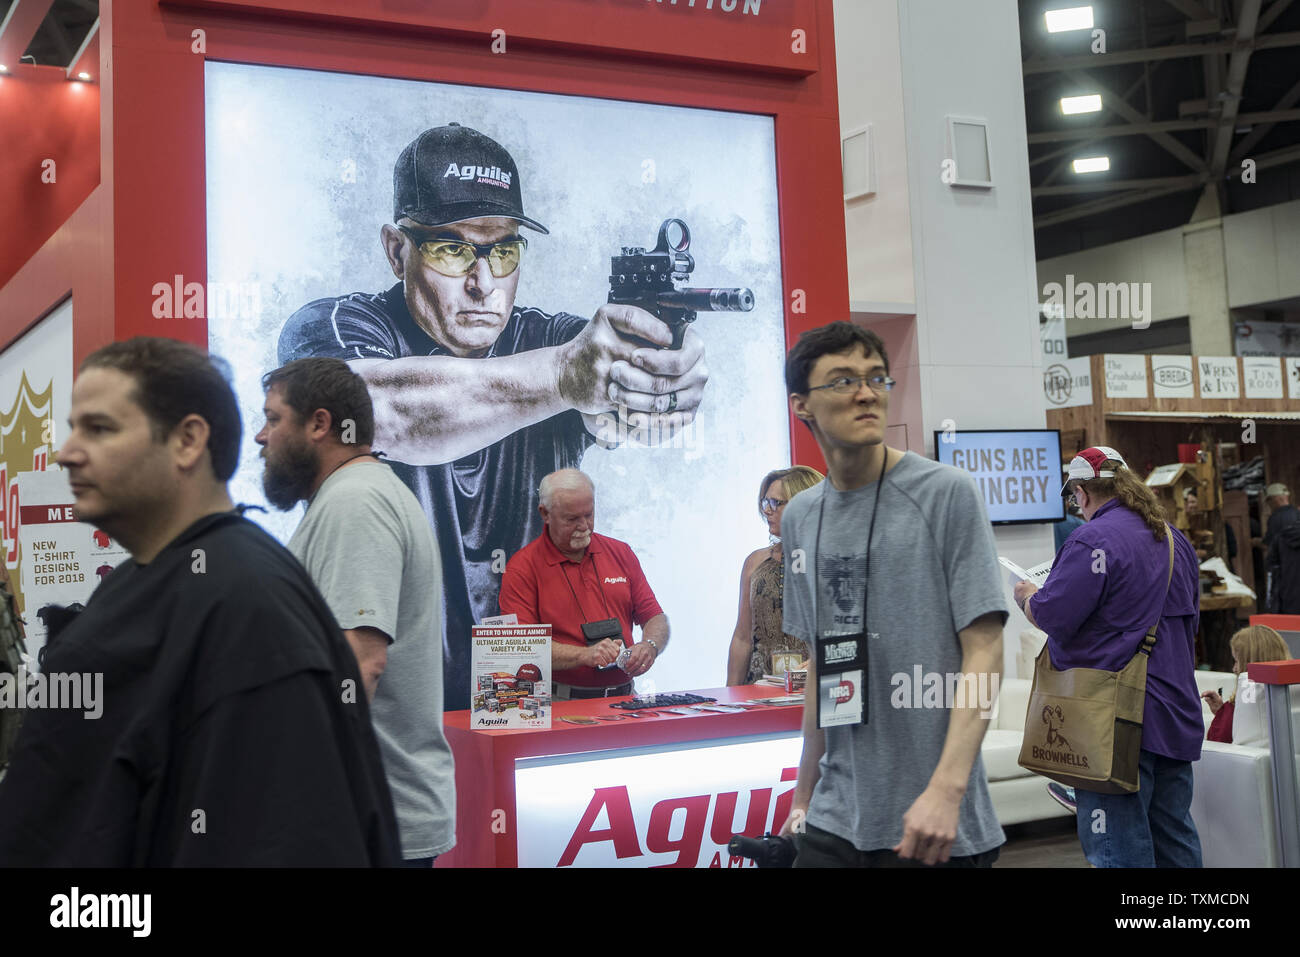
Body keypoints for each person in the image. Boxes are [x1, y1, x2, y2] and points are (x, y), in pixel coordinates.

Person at [278, 124, 709, 710]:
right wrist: (564, 378)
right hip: (384, 701)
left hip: (519, 696)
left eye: (502, 251)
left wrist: (655, 391)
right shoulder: (336, 329)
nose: (482, 283)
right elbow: (386, 411)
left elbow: (620, 405)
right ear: (396, 248)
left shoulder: (552, 340)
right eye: (453, 250)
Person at [0, 338, 399, 865]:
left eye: (99, 429)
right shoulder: (141, 581)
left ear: (188, 440)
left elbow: (281, 838)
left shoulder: (247, 604)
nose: (67, 452)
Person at [777, 321, 1008, 868]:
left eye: (876, 378)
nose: (865, 392)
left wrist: (947, 791)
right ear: (802, 405)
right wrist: (803, 795)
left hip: (932, 825)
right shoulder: (801, 517)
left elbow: (985, 649)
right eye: (841, 380)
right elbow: (822, 665)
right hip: (835, 817)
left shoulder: (946, 493)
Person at [256, 356, 456, 868]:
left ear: (320, 424)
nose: (261, 436)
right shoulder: (351, 497)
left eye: (274, 419)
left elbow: (358, 666)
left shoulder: (356, 502)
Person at [1015, 446, 1203, 868]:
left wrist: (1026, 595)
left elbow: (1055, 615)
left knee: (1117, 849)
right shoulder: (1175, 540)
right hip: (1174, 713)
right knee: (1175, 837)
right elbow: (1191, 627)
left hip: (1115, 723)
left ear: (1081, 493)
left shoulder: (1091, 539)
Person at [498, 469, 668, 700]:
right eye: (572, 519)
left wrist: (649, 646)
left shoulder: (620, 552)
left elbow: (655, 617)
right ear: (545, 513)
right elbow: (522, 648)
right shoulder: (522, 568)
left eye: (589, 515)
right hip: (561, 702)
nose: (584, 526)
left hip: (625, 697)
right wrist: (584, 655)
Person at [726, 465, 823, 685]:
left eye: (775, 503)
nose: (766, 510)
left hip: (817, 691)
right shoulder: (755, 562)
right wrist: (730, 698)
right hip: (760, 693)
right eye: (765, 502)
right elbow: (742, 637)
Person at [1204, 625, 1291, 747]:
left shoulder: (1244, 702)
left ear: (1249, 663)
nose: (1234, 668)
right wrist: (1222, 711)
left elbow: (1217, 744)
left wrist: (1225, 713)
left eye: (1237, 661)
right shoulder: (1291, 692)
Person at [1264, 483, 1300, 613]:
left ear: (1276, 499)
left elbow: (1270, 550)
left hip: (1285, 579)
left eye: (1270, 501)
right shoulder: (1296, 514)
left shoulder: (1275, 519)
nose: (1270, 505)